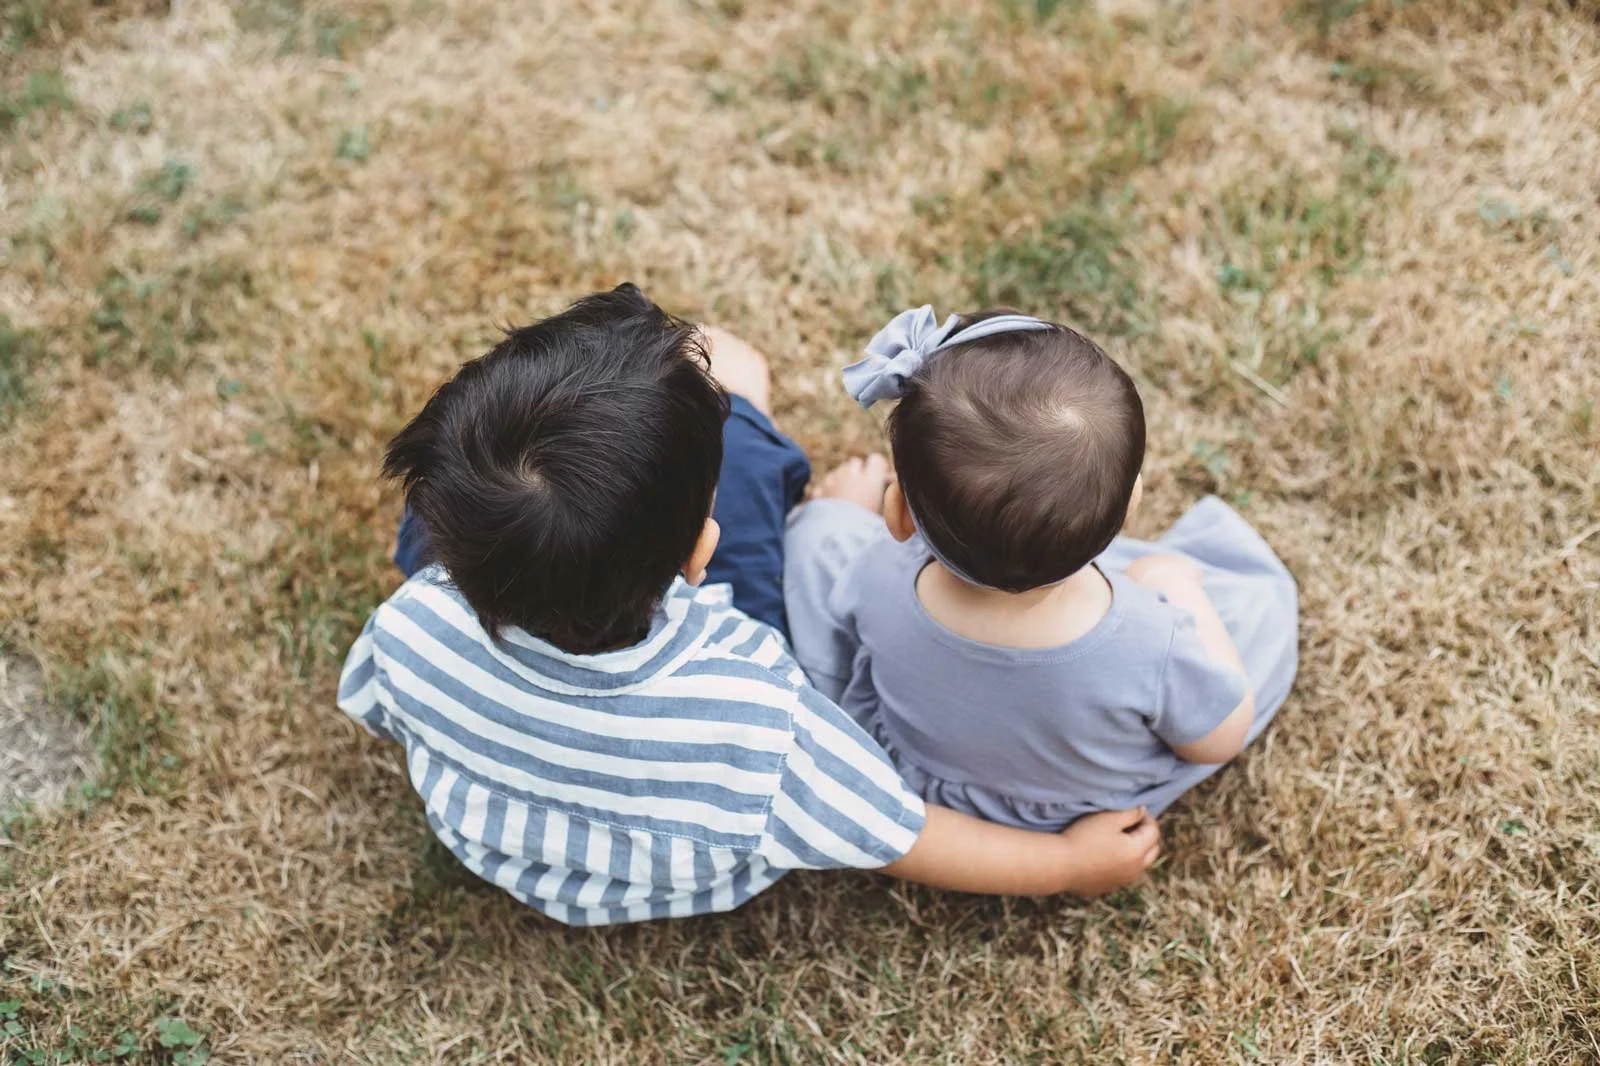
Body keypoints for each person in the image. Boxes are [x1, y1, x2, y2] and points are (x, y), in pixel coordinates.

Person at [335, 285, 1160, 926]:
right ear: (701, 553)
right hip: (671, 873)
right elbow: (904, 836)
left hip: (507, 855)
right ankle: (751, 417)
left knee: (699, 384)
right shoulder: (759, 721)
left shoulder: (409, 625)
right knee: (736, 371)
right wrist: (1064, 868)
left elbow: (377, 706)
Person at [784, 305, 1299, 830]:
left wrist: (838, 514)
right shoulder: (1148, 639)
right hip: (1067, 806)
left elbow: (843, 579)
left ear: (895, 514)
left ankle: (836, 510)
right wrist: (1173, 586)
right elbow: (1220, 738)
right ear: (1130, 506)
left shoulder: (879, 573)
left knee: (821, 536)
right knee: (1255, 604)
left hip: (925, 774)